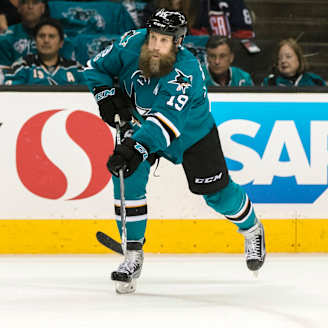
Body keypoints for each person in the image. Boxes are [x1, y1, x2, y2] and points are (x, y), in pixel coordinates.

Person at [84, 9, 266, 294]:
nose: (155, 46)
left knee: (217, 195)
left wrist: (134, 148)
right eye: (153, 38)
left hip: (191, 134)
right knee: (127, 175)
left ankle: (252, 229)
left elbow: (165, 125)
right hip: (142, 124)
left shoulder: (187, 72)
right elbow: (95, 68)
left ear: (177, 43)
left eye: (164, 41)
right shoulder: (130, 43)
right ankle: (133, 255)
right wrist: (106, 96)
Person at [3, 18, 84, 86]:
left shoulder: (75, 68)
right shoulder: (22, 66)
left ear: (61, 43)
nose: (46, 40)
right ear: (35, 40)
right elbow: (11, 96)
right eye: (41, 36)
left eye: (51, 36)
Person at [0, 0, 74, 66]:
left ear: (43, 8)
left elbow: (69, 71)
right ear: (19, 8)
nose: (30, 7)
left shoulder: (60, 38)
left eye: (35, 3)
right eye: (24, 2)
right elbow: (1, 74)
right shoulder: (5, 39)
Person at [262, 38, 326, 87]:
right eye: (280, 58)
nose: (283, 61)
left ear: (299, 59)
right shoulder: (269, 82)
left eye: (288, 56)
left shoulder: (315, 81)